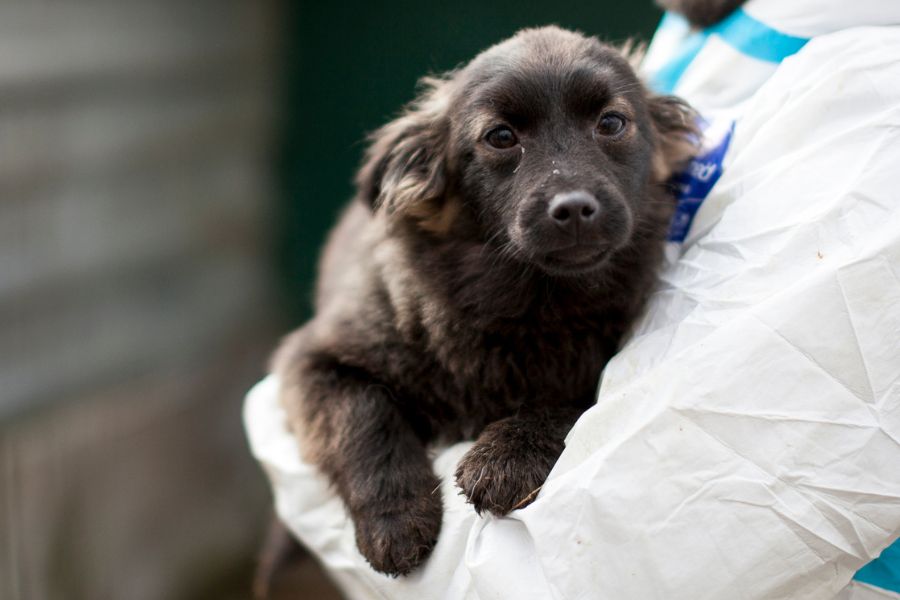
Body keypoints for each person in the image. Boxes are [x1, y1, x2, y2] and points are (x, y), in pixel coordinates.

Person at [245, 1, 900, 597]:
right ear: (425, 177)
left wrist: (549, 424)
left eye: (610, 124)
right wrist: (382, 489)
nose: (571, 192)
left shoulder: (870, 107)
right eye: (503, 138)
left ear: (666, 142)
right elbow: (319, 367)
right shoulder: (708, 22)